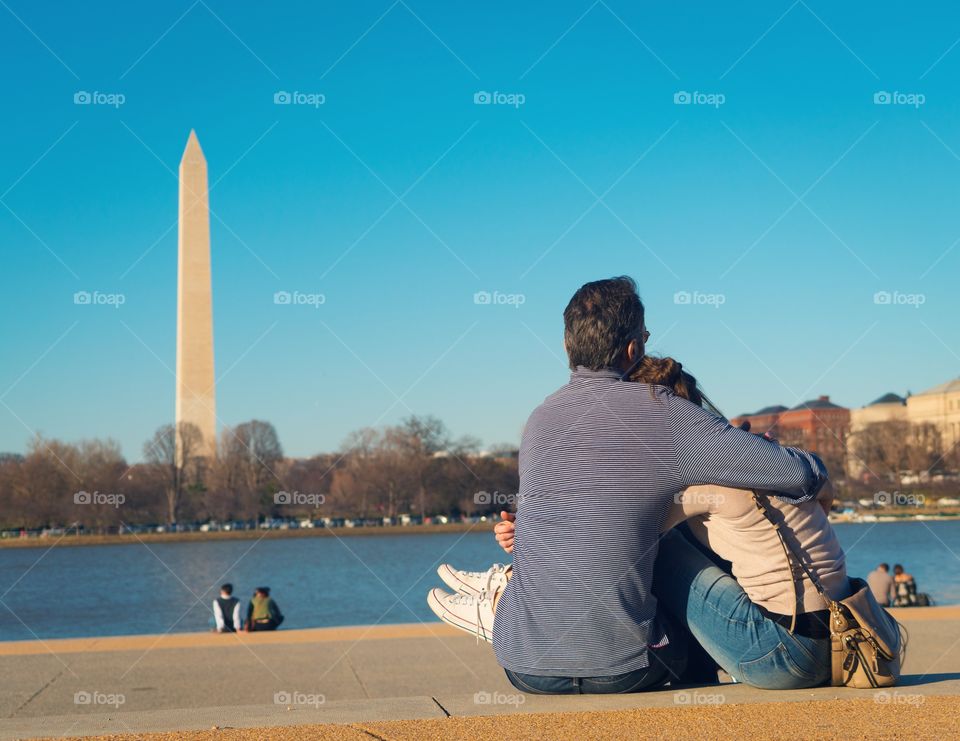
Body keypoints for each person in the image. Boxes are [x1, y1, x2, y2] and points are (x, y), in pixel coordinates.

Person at [428, 277, 830, 694]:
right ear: (635, 349)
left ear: (568, 347)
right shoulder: (665, 414)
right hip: (629, 669)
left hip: (525, 669)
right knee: (661, 545)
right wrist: (756, 452)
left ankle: (503, 604)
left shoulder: (539, 420)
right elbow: (801, 476)